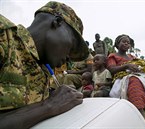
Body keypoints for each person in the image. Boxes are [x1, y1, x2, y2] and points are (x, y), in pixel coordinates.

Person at [0, 1, 89, 129]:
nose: (69, 57)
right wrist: (49, 106)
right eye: (71, 47)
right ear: (57, 22)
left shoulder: (43, 72)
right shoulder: (4, 37)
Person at [107, 34, 145, 119]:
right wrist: (126, 66)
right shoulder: (113, 56)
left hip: (137, 75)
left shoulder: (132, 57)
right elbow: (112, 69)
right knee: (134, 80)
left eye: (128, 42)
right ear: (117, 44)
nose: (126, 43)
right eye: (124, 41)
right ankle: (140, 112)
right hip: (122, 79)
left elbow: (140, 64)